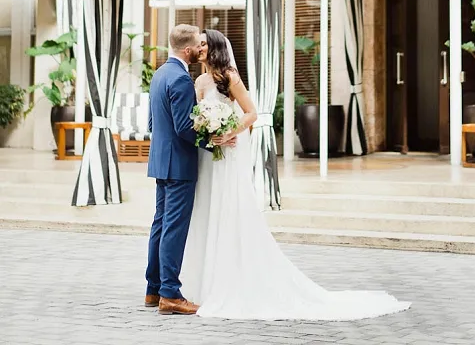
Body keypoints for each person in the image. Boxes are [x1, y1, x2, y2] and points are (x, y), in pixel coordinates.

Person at [180, 28, 410, 321]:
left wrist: (229, 131)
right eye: (196, 44)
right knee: (207, 210)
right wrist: (206, 130)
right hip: (208, 158)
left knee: (229, 210)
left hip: (227, 154)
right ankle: (203, 283)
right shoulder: (199, 81)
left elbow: (250, 112)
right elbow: (197, 116)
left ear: (213, 48)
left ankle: (230, 279)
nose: (198, 48)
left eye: (202, 44)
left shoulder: (230, 77)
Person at [144, 24, 234, 315]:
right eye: (198, 45)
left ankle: (153, 288)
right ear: (187, 50)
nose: (201, 49)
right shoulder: (182, 79)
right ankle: (170, 293)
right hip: (180, 164)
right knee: (174, 227)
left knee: (160, 224)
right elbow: (184, 128)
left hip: (160, 161)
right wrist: (214, 143)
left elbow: (152, 125)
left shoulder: (159, 74)